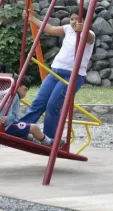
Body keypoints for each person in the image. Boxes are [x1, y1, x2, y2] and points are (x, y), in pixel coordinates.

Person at [18, 8, 95, 139]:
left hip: (72, 76)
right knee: (39, 102)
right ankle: (20, 129)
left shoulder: (89, 34)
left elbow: (88, 37)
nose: (74, 22)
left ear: (85, 20)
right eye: (72, 19)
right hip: (55, 71)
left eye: (78, 19)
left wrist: (84, 29)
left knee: (53, 105)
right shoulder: (68, 29)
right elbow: (49, 29)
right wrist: (32, 18)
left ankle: (49, 139)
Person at [0, 77, 58, 146]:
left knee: (28, 135)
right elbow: (6, 112)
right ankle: (48, 142)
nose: (25, 93)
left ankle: (38, 143)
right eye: (25, 90)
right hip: (6, 127)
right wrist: (7, 118)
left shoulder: (6, 92)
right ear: (18, 86)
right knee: (34, 128)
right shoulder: (13, 95)